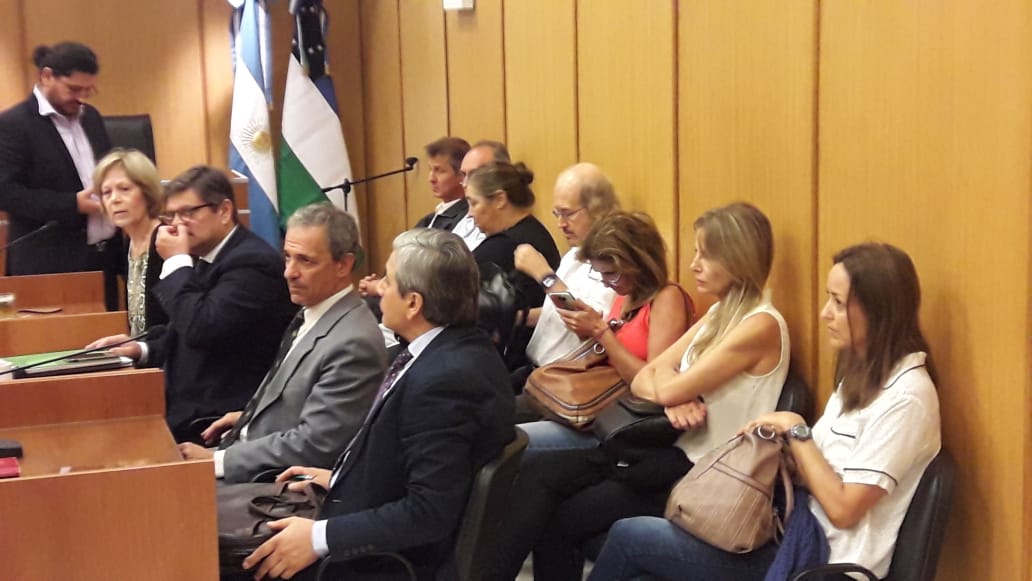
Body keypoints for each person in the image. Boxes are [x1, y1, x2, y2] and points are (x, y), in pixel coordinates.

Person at [590, 242, 941, 581]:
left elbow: (844, 510)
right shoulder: (863, 375)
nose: (825, 313)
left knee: (630, 537)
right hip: (790, 527)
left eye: (838, 302)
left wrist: (797, 431)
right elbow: (823, 466)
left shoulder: (906, 399)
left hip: (820, 560)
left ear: (878, 312)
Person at [490, 202, 790, 580]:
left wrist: (672, 391)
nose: (694, 264)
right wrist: (673, 392)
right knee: (543, 484)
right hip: (668, 447)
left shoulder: (760, 325)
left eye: (706, 255)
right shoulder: (721, 312)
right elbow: (648, 376)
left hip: (702, 471)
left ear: (737, 257)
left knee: (563, 513)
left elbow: (659, 383)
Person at [240, 228, 515, 580]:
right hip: (360, 520)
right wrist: (343, 478)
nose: (379, 288)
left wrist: (318, 538)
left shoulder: (444, 381)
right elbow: (408, 463)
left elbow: (429, 512)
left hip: (374, 565)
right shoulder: (456, 349)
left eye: (388, 279)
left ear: (413, 303)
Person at [177, 203, 387, 483]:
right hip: (249, 452)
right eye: (287, 257)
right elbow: (293, 400)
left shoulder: (354, 342)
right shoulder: (311, 312)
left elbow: (315, 446)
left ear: (344, 265)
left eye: (305, 261)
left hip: (275, 486)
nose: (289, 272)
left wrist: (216, 461)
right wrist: (249, 418)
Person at [89, 166, 297, 440]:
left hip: (216, 419)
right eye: (171, 215)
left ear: (224, 211)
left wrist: (176, 261)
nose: (177, 225)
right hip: (184, 403)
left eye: (188, 212)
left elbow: (201, 327)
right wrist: (139, 349)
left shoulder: (251, 263)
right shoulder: (209, 255)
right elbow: (181, 330)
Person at [0, 42, 121, 307]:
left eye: (88, 90)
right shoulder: (12, 124)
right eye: (74, 89)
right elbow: (6, 193)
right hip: (49, 262)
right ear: (47, 76)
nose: (82, 98)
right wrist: (72, 204)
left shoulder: (91, 117)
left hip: (103, 257)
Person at [512, 162, 620, 380]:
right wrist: (517, 317)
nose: (561, 224)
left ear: (598, 210)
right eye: (557, 214)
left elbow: (582, 320)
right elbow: (557, 309)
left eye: (568, 214)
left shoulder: (613, 262)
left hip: (569, 380)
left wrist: (544, 275)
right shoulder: (575, 253)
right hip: (537, 370)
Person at [466, 160, 562, 310]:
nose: (470, 213)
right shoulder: (534, 230)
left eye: (474, 203)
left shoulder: (503, 246)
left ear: (500, 199)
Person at [92, 148, 167, 334]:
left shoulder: (166, 241)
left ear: (147, 193)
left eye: (124, 189)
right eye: (106, 193)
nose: (115, 199)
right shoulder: (129, 244)